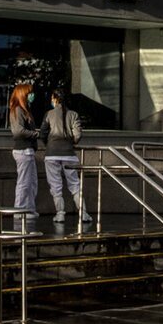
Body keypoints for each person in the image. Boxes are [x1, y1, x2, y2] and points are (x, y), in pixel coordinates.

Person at [41, 89, 91, 226]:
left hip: (51, 154)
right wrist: (71, 142)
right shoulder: (73, 114)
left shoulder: (49, 114)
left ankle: (60, 214)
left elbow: (42, 133)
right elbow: (78, 134)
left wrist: (49, 145)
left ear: (55, 99)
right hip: (69, 154)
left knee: (56, 185)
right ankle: (83, 213)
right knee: (75, 185)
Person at [7, 83, 39, 231]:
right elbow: (18, 131)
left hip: (29, 150)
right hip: (23, 150)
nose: (32, 96)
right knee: (24, 183)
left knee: (31, 182)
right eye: (29, 93)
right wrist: (36, 134)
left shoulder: (25, 110)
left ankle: (29, 209)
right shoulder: (17, 110)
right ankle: (19, 210)